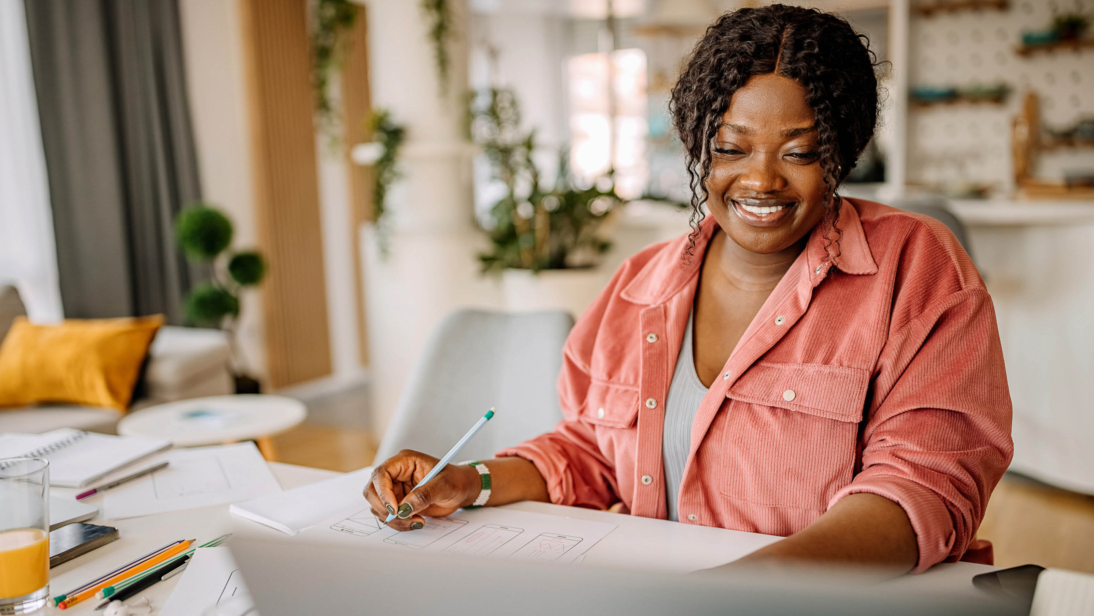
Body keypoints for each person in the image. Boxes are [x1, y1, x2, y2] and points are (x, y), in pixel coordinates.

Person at [364, 4, 1013, 574]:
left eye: (799, 152)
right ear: (702, 147)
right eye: (731, 149)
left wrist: (743, 591)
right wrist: (468, 481)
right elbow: (588, 450)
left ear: (841, 152)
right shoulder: (641, 283)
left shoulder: (915, 266)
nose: (760, 180)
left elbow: (925, 488)